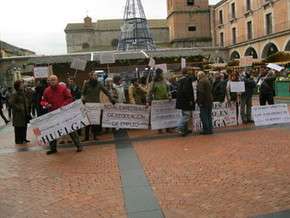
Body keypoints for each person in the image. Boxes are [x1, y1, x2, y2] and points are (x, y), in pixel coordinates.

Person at [42, 75, 82, 154]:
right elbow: (42, 101)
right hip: (53, 113)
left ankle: (79, 146)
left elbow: (70, 98)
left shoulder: (63, 88)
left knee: (71, 130)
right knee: (52, 131)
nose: (53, 81)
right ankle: (53, 149)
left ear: (57, 80)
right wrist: (46, 104)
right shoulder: (46, 90)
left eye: (54, 80)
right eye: (51, 80)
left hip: (64, 113)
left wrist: (64, 105)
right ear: (49, 81)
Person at [82, 72, 115, 141]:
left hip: (96, 104)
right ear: (90, 76)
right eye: (93, 75)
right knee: (88, 121)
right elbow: (83, 93)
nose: (95, 77)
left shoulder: (99, 84)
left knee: (95, 121)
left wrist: (111, 98)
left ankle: (94, 136)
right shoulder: (86, 84)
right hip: (88, 104)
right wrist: (83, 98)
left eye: (95, 76)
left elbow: (106, 92)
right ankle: (86, 137)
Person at [147, 68, 172, 133]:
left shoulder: (165, 81)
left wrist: (169, 96)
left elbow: (168, 89)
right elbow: (150, 92)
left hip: (166, 101)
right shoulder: (154, 82)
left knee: (167, 115)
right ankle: (160, 129)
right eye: (161, 73)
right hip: (158, 102)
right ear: (159, 74)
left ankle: (168, 128)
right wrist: (148, 101)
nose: (162, 74)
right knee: (159, 116)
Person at [176, 68, 196, 136]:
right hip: (186, 101)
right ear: (187, 72)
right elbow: (187, 91)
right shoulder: (187, 80)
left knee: (184, 114)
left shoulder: (180, 80)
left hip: (181, 100)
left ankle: (185, 129)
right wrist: (190, 100)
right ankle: (179, 126)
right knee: (186, 115)